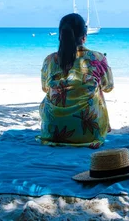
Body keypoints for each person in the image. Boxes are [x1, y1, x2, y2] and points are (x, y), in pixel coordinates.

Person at [38, 13, 114, 148]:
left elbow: (45, 88)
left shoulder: (49, 60)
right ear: (84, 37)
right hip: (89, 133)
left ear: (60, 35)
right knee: (98, 90)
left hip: (52, 131)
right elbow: (108, 87)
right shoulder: (97, 58)